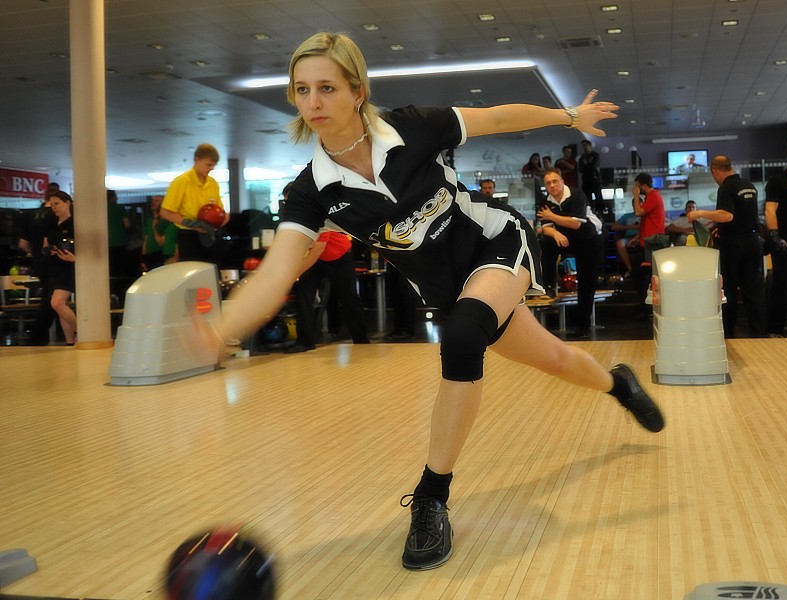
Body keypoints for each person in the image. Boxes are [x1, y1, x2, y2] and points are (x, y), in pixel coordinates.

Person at [210, 31, 663, 572]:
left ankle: (431, 498)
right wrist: (219, 330)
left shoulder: (411, 128)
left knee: (464, 336)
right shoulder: (311, 191)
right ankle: (618, 384)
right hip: (451, 291)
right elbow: (277, 271)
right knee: (555, 358)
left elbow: (496, 118)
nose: (313, 102)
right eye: (302, 90)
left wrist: (567, 117)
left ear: (357, 91)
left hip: (495, 242)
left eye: (326, 87)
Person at [688, 156, 766, 337]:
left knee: (728, 291)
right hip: (752, 242)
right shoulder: (749, 186)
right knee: (754, 292)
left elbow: (727, 215)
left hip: (733, 246)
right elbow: (744, 216)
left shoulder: (726, 187)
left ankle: (728, 334)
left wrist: (700, 213)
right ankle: (760, 335)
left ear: (715, 171)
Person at [537, 168, 605, 338]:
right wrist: (556, 234)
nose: (552, 185)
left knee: (586, 282)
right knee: (546, 242)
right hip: (566, 238)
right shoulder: (545, 201)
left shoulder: (576, 195)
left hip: (588, 239)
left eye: (555, 181)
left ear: (562, 182)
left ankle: (584, 326)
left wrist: (551, 216)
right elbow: (546, 228)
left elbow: (576, 224)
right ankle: (549, 285)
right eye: (548, 183)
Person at [285, 229, 370, 353]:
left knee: (349, 299)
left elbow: (318, 248)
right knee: (303, 290)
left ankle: (361, 340)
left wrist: (295, 274)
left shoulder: (319, 222)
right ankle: (305, 342)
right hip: (318, 259)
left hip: (339, 256)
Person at [159, 143, 229, 264]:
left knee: (213, 269)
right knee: (194, 271)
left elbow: (219, 209)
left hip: (209, 233)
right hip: (189, 236)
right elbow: (165, 212)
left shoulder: (212, 183)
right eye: (208, 164)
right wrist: (191, 224)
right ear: (197, 159)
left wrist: (224, 218)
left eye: (214, 165)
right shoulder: (181, 181)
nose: (211, 168)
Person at [764, 143, 787, 337]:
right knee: (780, 285)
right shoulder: (778, 181)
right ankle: (775, 329)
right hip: (784, 243)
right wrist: (774, 235)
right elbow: (770, 210)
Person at [18, 185, 59, 344]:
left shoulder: (29, 215)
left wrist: (34, 252)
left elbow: (23, 244)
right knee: (52, 298)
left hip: (39, 262)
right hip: (57, 261)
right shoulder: (57, 216)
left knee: (49, 297)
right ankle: (38, 335)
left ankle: (39, 336)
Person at [42, 191, 77, 345]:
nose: (54, 207)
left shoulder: (75, 224)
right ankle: (70, 341)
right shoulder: (51, 224)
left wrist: (74, 258)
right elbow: (45, 245)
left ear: (67, 203)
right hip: (54, 267)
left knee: (57, 303)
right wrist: (48, 250)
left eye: (57, 204)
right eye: (52, 205)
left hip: (69, 268)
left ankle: (83, 331)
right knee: (61, 306)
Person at [630, 173, 666, 311]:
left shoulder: (653, 196)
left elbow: (638, 212)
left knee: (642, 274)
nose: (636, 188)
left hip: (652, 242)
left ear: (643, 185)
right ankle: (646, 307)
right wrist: (637, 237)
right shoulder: (652, 197)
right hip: (647, 241)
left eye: (638, 186)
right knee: (640, 274)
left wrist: (636, 196)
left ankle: (647, 308)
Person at [609, 200, 640, 275]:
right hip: (628, 238)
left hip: (641, 237)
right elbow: (614, 227)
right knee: (620, 243)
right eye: (635, 205)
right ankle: (630, 269)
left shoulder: (645, 215)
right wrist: (629, 227)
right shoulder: (627, 216)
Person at [140, 195, 166, 272]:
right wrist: (143, 257)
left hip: (159, 253)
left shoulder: (165, 221)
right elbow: (146, 239)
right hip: (149, 254)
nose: (153, 203)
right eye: (153, 201)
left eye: (157, 201)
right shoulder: (149, 221)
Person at [578, 140, 603, 213]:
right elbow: (580, 169)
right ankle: (590, 211)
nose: (584, 147)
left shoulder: (595, 155)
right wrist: (588, 167)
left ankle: (600, 212)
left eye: (586, 145)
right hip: (586, 180)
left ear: (590, 146)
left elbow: (594, 165)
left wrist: (586, 167)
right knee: (587, 198)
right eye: (583, 146)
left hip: (595, 179)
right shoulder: (582, 157)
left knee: (598, 196)